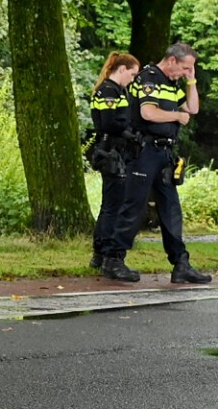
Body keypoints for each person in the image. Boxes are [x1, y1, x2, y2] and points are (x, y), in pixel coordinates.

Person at [109, 41, 212, 284]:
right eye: (186, 67)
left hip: (164, 154)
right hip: (144, 152)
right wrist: (177, 115)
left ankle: (181, 264)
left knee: (171, 209)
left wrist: (191, 81)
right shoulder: (150, 78)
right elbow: (148, 113)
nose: (187, 72)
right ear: (172, 60)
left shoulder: (171, 83)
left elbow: (193, 108)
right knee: (134, 207)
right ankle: (113, 259)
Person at [87, 52, 142, 279]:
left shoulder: (116, 90)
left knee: (109, 205)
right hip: (113, 152)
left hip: (113, 151)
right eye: (132, 73)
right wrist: (130, 133)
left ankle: (99, 253)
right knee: (115, 206)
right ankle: (109, 255)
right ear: (122, 70)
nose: (133, 79)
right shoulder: (109, 91)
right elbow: (109, 123)